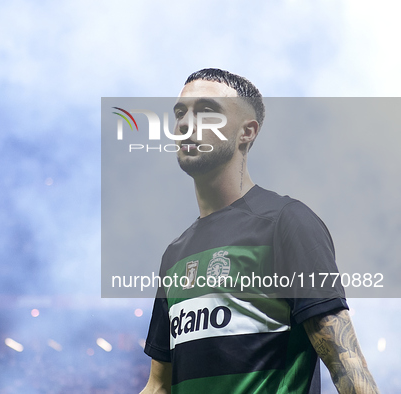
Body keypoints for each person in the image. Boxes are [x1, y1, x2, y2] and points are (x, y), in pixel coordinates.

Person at [140, 68, 380, 394]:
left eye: (206, 111)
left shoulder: (287, 223)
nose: (185, 123)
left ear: (247, 132)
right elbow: (159, 386)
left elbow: (346, 363)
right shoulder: (175, 254)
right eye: (181, 113)